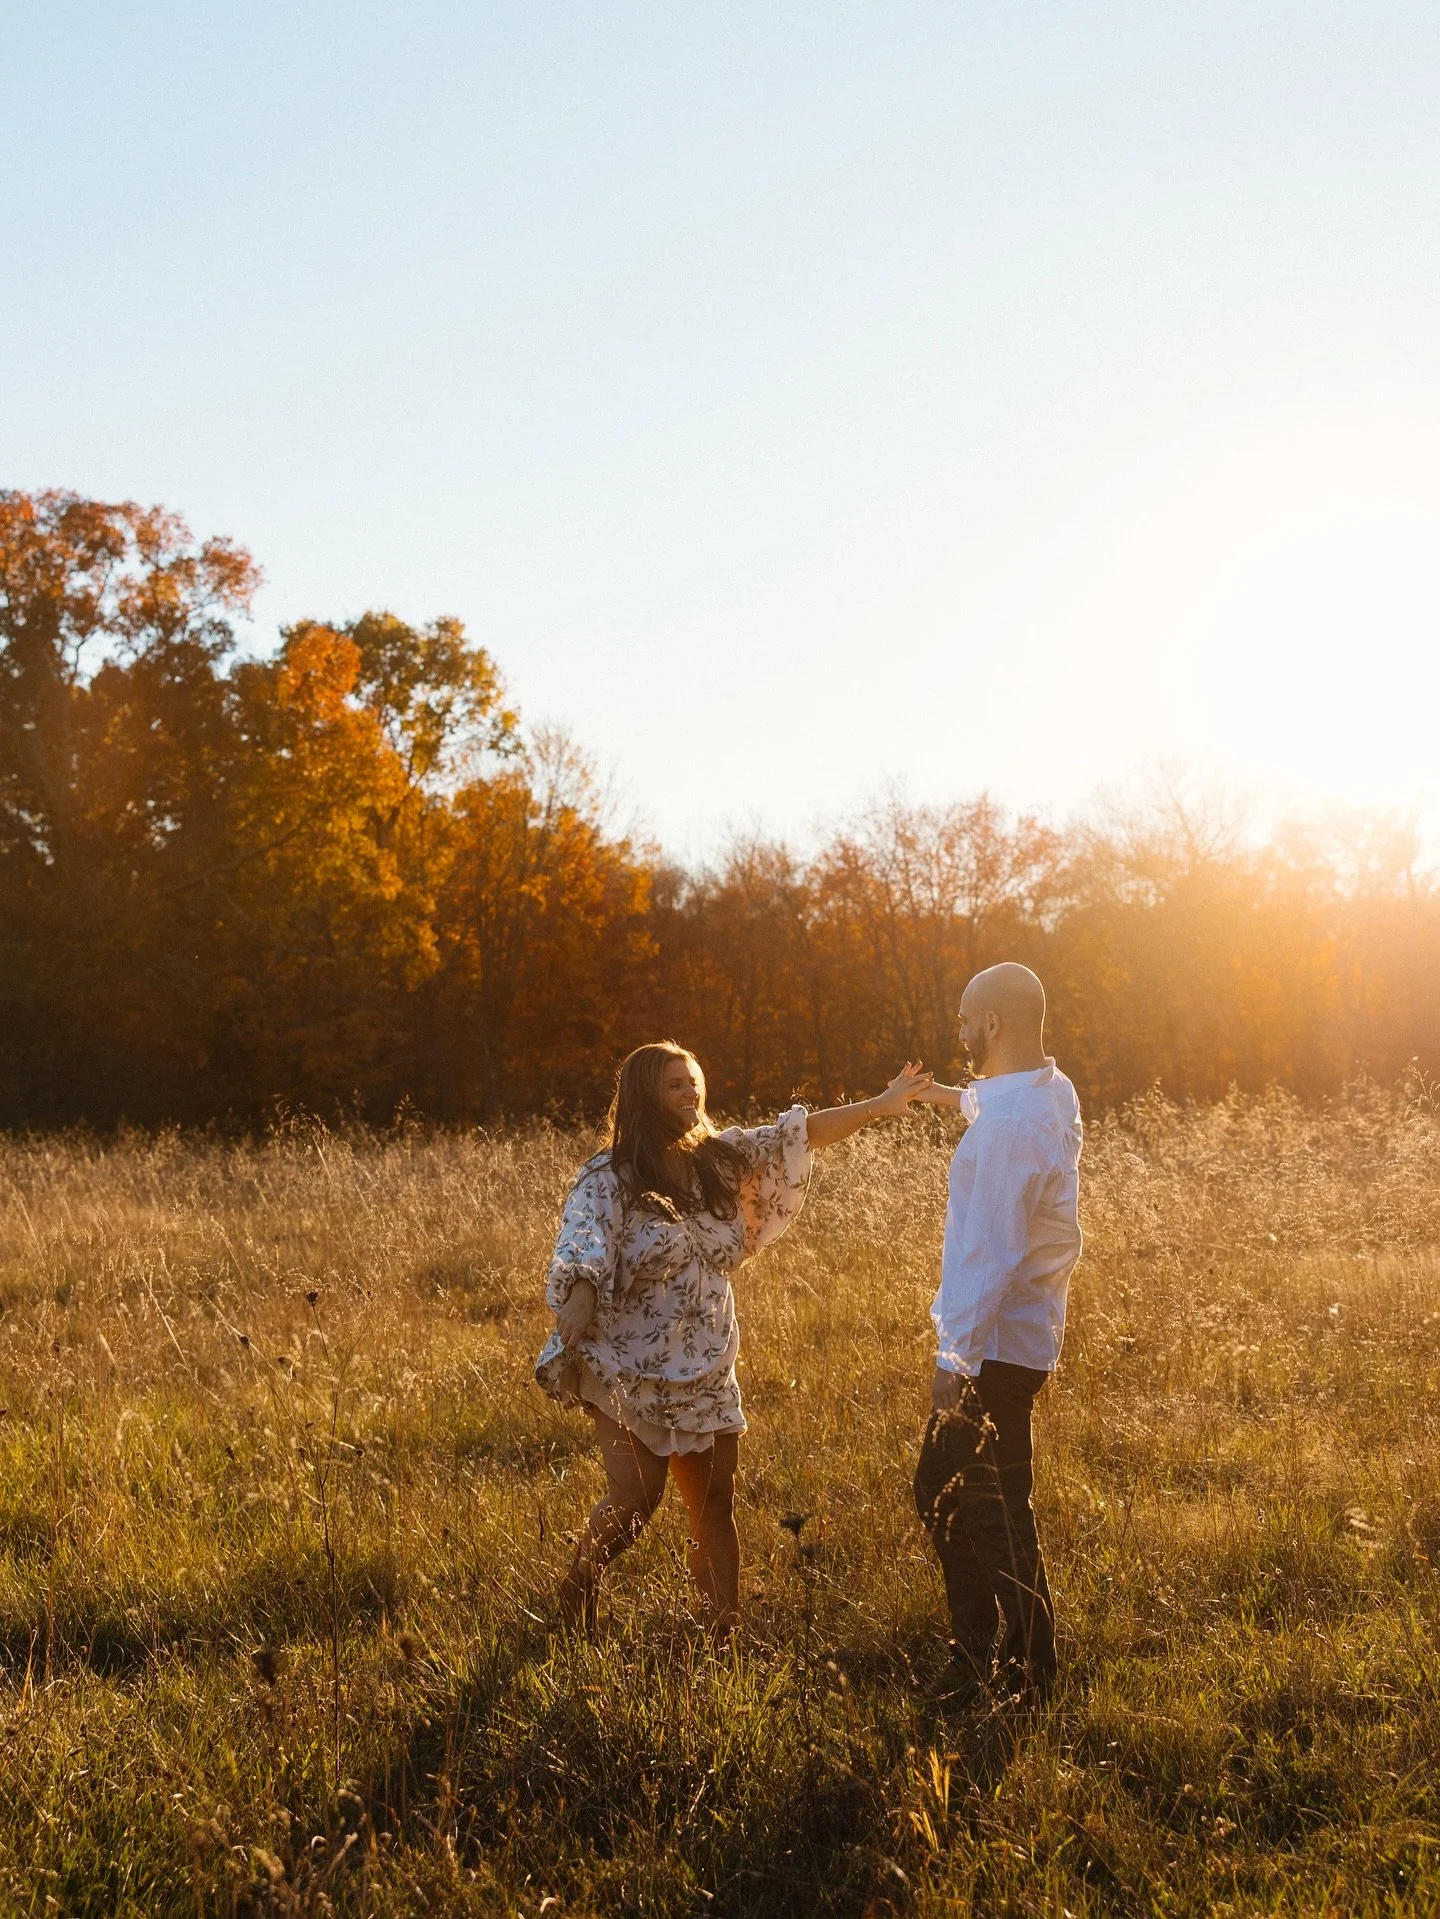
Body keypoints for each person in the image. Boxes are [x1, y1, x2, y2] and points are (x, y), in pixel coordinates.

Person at [536, 1041, 931, 1640]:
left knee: (714, 1502)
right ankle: (575, 1595)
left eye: (694, 1082)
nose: (690, 1093)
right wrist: (582, 1289)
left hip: (706, 1361)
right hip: (627, 1363)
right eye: (675, 1085)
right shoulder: (609, 1176)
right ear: (645, 1095)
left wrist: (882, 1103)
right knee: (635, 1501)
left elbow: (797, 1134)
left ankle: (722, 1632)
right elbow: (583, 1238)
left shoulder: (718, 1160)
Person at [910, 962, 1082, 1704]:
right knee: (951, 1492)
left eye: (966, 1016)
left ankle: (1026, 1666)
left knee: (983, 1505)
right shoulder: (1050, 1088)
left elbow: (987, 1257)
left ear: (995, 1024)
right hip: (1024, 1339)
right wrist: (943, 1096)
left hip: (994, 1348)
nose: (959, 1028)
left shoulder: (1009, 1130)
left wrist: (952, 1364)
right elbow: (995, 1105)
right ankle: (983, 1647)